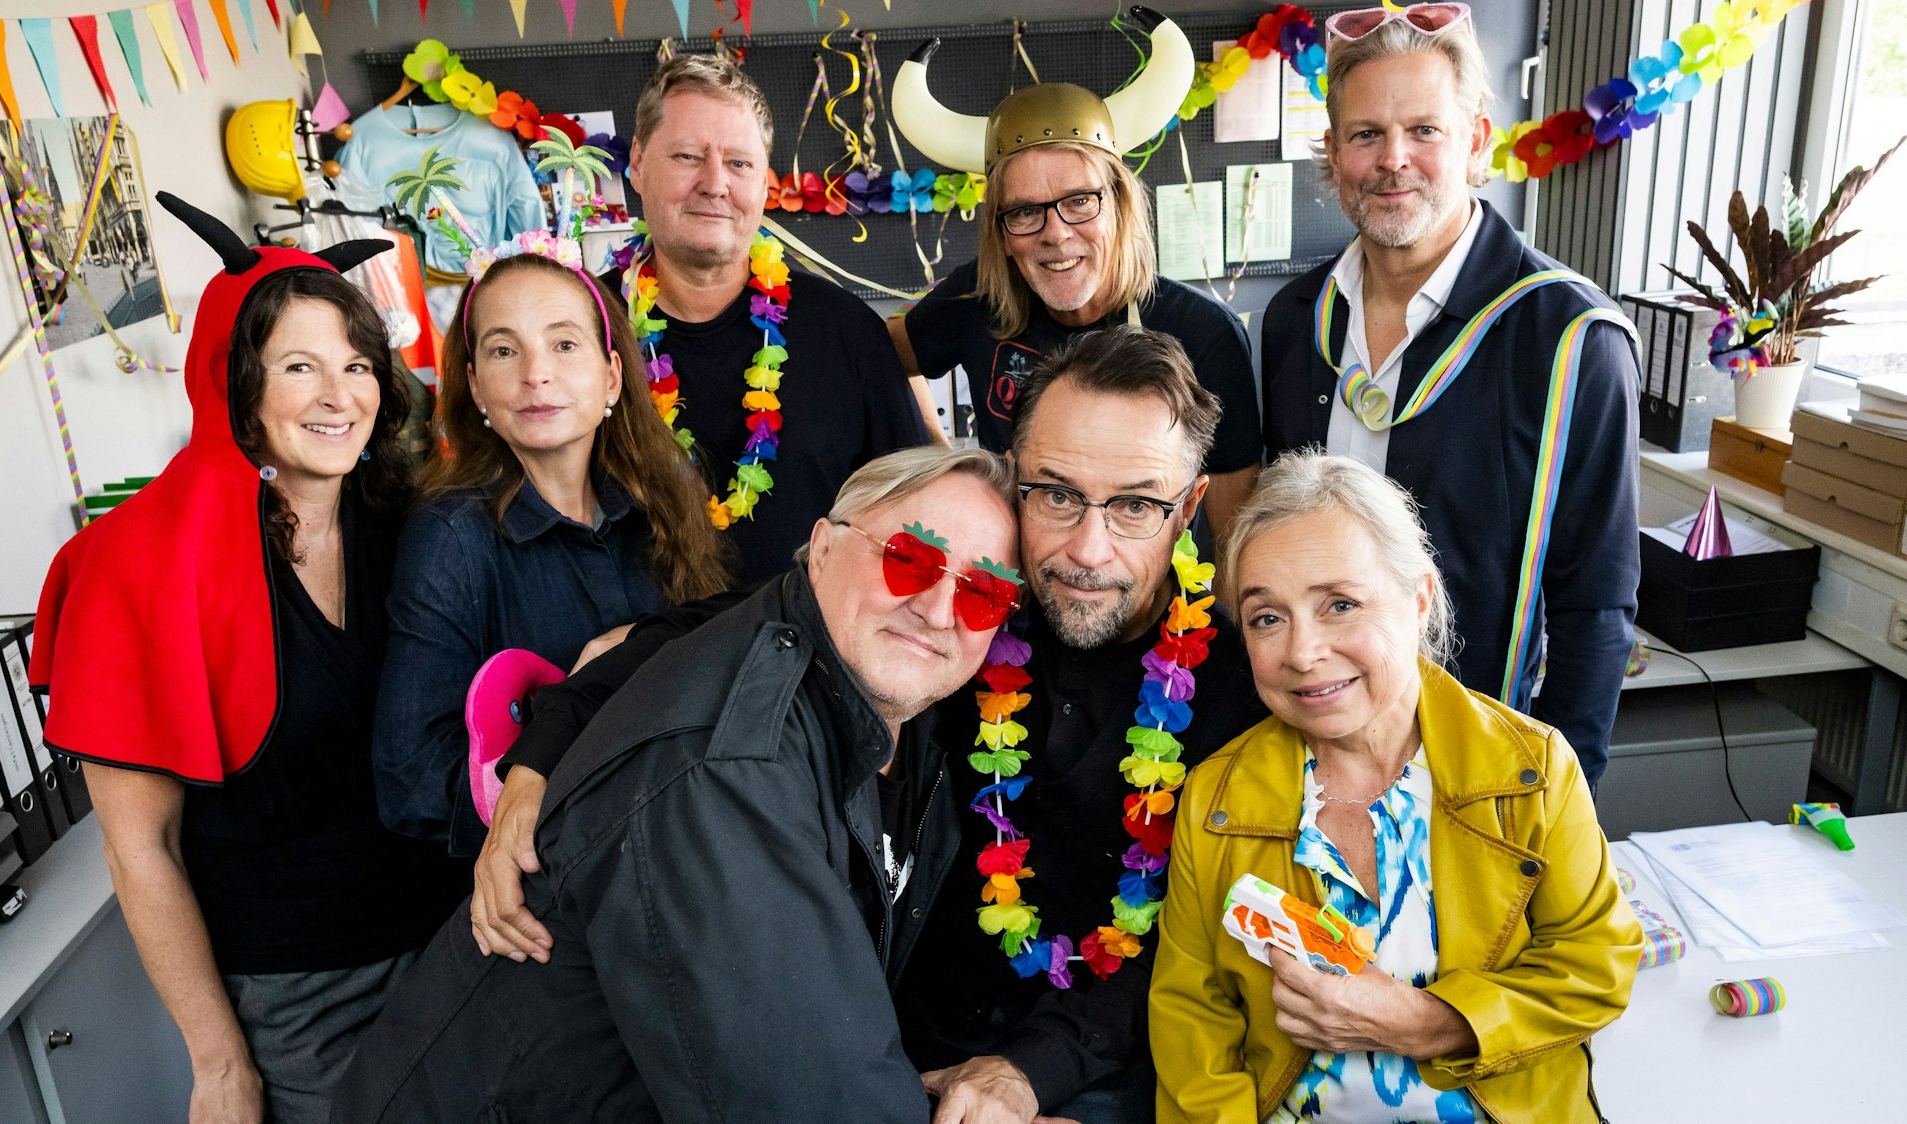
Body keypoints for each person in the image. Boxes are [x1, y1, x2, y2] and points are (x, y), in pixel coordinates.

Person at [475, 327, 1268, 1124]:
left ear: (1190, 505)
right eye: (1057, 494)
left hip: (1093, 1067)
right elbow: (707, 632)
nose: (1086, 550)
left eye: (1135, 505)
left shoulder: (1243, 693)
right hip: (881, 1033)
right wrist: (535, 765)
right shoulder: (961, 605)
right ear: (1018, 479)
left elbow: (1201, 942)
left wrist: (1032, 1073)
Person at [333, 446, 1020, 1122]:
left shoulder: (903, 713)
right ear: (822, 548)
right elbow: (806, 1095)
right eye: (908, 558)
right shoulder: (729, 764)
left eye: (984, 591)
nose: (938, 609)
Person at [28, 195, 466, 1123]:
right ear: (235, 383)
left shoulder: (406, 529)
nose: (339, 396)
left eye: (357, 365)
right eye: (300, 367)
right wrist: (219, 1063)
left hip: (457, 946)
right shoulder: (134, 567)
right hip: (300, 1000)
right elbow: (138, 845)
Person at [1149, 450, 1642, 1123]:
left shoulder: (1534, 770)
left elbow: (1599, 964)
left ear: (1418, 600)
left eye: (1340, 605)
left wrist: (1432, 1023)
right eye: (1268, 617)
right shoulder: (1215, 799)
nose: (1301, 651)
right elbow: (1191, 1026)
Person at [1257, 3, 1641, 784]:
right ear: (1332, 154)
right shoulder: (1296, 322)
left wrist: (1561, 804)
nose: (1393, 159)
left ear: (1475, 141)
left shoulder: (1571, 340)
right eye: (1366, 134)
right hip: (1313, 751)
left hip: (1479, 766)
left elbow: (1596, 609)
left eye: (1424, 131)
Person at [372, 233, 730, 857]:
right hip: (553, 903)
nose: (536, 372)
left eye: (564, 344)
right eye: (504, 350)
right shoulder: (450, 537)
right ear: (478, 388)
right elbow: (413, 784)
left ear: (613, 376)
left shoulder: (665, 507)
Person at [890, 6, 1263, 547]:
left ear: (1120, 205)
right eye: (1024, 211)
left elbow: (1235, 533)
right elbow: (880, 354)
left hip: (1155, 610)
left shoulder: (1204, 334)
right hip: (1013, 591)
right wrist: (935, 451)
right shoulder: (977, 298)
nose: (1055, 234)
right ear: (1001, 231)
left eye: (1080, 202)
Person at [611, 52, 929, 585]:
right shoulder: (580, 330)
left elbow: (915, 519)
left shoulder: (847, 331)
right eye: (688, 156)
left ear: (763, 184)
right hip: (629, 659)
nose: (715, 184)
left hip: (814, 656)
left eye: (739, 164)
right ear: (638, 164)